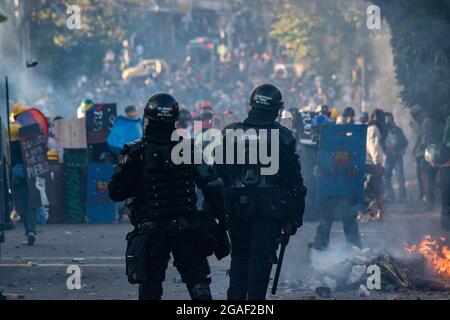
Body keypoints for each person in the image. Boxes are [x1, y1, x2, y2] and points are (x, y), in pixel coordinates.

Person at [108, 93, 228, 300]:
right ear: (174, 120)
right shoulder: (188, 148)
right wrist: (221, 219)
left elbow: (116, 192)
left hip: (152, 230)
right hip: (185, 228)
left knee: (150, 288)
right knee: (198, 282)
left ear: (148, 118)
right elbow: (213, 184)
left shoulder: (135, 151)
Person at [215, 84, 307, 300]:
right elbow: (295, 184)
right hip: (269, 214)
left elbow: (218, 176)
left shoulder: (230, 133)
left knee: (239, 260)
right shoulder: (283, 137)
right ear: (276, 109)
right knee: (259, 267)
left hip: (237, 210)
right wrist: (293, 219)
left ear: (251, 106)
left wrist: (219, 213)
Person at [310, 107, 362, 250]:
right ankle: (323, 246)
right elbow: (322, 163)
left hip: (341, 185)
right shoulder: (331, 144)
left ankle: (352, 247)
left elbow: (355, 164)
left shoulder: (347, 144)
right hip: (337, 185)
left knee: (344, 219)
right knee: (330, 219)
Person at [10, 120, 39, 245]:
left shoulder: (8, 147)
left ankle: (30, 232)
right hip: (30, 178)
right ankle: (31, 231)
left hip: (17, 180)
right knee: (30, 207)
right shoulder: (29, 144)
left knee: (22, 207)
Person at [410, 104, 440, 209]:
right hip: (422, 153)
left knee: (426, 177)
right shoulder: (422, 122)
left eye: (415, 115)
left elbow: (423, 136)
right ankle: (427, 198)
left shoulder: (426, 122)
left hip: (426, 153)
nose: (415, 118)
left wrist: (415, 128)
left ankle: (429, 201)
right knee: (424, 177)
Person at [364, 109, 386, 219]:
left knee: (378, 188)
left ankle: (380, 213)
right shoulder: (374, 129)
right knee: (375, 189)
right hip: (371, 163)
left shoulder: (369, 128)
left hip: (369, 162)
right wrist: (378, 162)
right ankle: (370, 213)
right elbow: (374, 147)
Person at [383, 112, 408, 202]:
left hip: (397, 156)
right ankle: (390, 195)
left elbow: (405, 142)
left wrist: (397, 148)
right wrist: (386, 150)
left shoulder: (398, 130)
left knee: (400, 177)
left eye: (389, 120)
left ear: (393, 120)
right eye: (386, 120)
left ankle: (402, 196)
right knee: (386, 176)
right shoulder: (383, 132)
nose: (388, 122)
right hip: (388, 157)